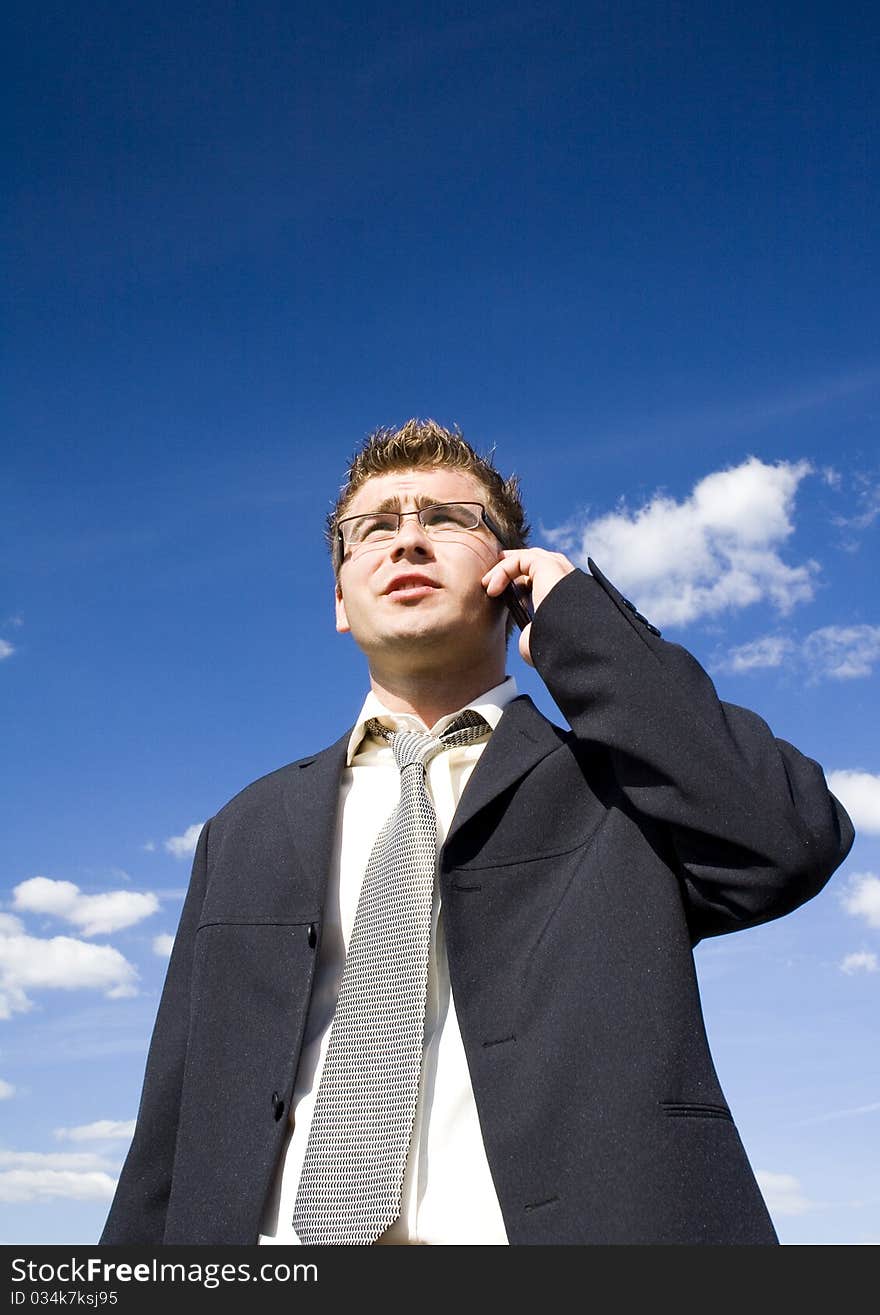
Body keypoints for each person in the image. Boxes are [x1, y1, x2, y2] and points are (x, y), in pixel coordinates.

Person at [100, 419, 854, 1246]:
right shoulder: (243, 829)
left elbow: (791, 837)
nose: (409, 540)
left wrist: (578, 621)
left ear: (509, 575)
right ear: (340, 600)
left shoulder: (621, 786)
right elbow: (169, 1130)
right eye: (376, 527)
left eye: (449, 520)